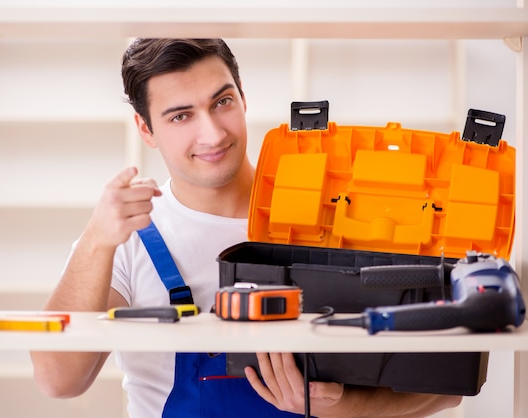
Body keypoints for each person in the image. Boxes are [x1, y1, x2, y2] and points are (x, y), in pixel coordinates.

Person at [30, 38, 462, 417]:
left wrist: (347, 407)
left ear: (243, 96)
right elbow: (57, 381)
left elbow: (444, 390)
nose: (213, 133)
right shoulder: (126, 242)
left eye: (222, 102)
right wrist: (95, 241)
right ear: (146, 128)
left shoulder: (336, 217)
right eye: (181, 116)